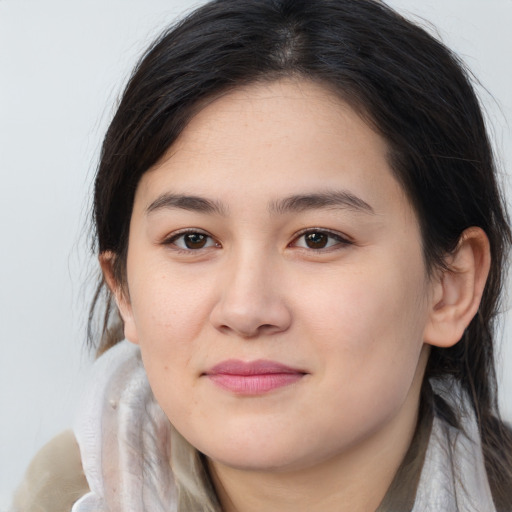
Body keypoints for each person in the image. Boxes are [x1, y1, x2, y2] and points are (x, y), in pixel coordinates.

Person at [12, 0, 512, 510]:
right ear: (124, 290)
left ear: (451, 285)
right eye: (193, 239)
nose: (246, 310)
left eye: (317, 238)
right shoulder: (66, 494)